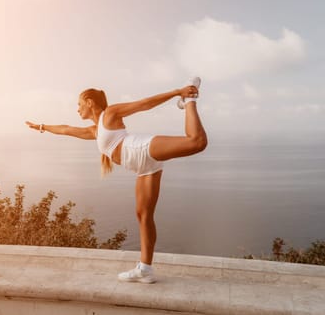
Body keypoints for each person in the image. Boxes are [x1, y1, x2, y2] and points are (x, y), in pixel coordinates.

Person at [25, 79, 207, 283]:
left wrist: (177, 92)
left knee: (196, 142)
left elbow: (144, 104)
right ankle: (145, 269)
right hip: (144, 167)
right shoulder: (95, 131)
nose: (77, 109)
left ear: (89, 102)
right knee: (144, 216)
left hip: (142, 148)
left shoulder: (109, 114)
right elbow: (66, 129)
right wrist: (41, 126)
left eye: (78, 104)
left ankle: (189, 100)